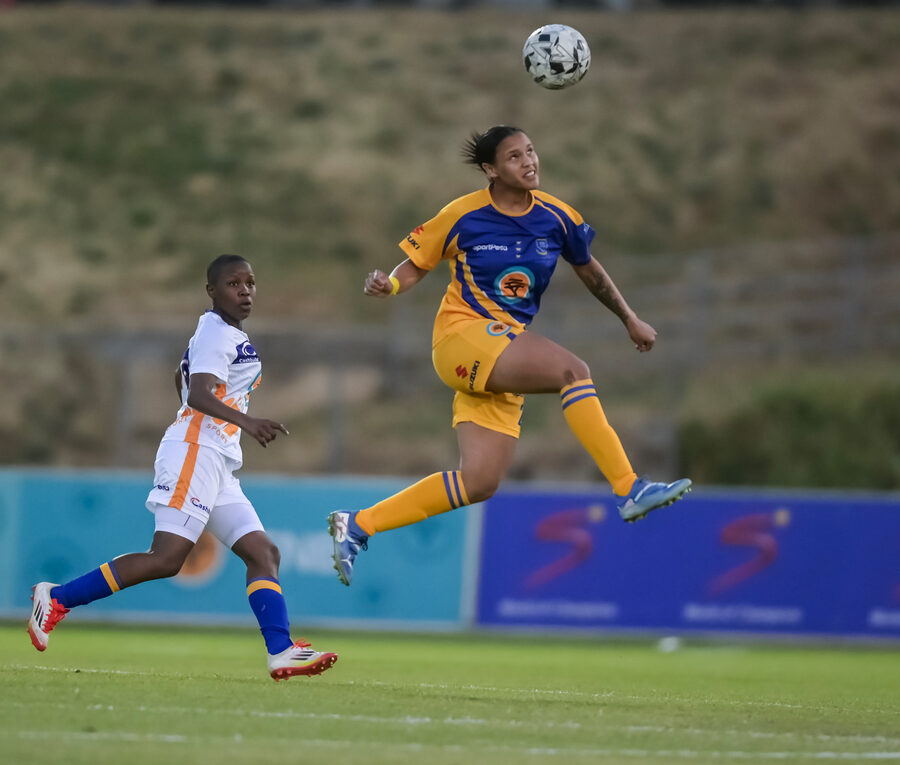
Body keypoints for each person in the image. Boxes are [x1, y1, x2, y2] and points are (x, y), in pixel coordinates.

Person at [328, 125, 692, 585]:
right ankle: (629, 489)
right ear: (491, 169)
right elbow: (418, 262)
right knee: (571, 371)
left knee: (479, 482)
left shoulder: (557, 218)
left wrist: (629, 318)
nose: (529, 161)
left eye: (532, 151)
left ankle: (358, 524)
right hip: (462, 337)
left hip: (502, 348)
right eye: (515, 156)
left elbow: (591, 272)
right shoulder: (464, 214)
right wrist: (392, 284)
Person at [27, 254, 337, 682]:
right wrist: (246, 422)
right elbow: (196, 395)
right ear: (212, 290)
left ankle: (281, 651)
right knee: (167, 558)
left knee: (264, 553)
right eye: (233, 284)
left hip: (217, 458)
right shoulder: (215, 332)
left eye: (250, 283)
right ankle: (57, 598)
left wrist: (219, 421)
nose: (245, 291)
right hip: (195, 451)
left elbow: (182, 377)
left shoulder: (219, 332)